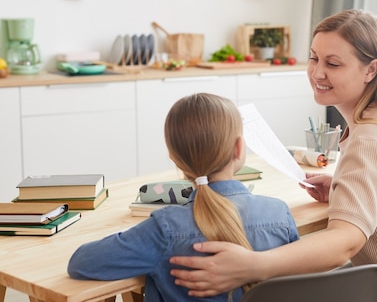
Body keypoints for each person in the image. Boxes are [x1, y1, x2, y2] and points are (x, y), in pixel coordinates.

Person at [169, 10, 377, 302]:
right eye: (314, 58)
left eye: (333, 64)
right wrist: (342, 188)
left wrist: (254, 264)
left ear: (371, 69)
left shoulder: (372, 137)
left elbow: (345, 242)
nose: (317, 72)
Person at [67, 93, 299, 302]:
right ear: (238, 149)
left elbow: (80, 263)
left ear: (174, 158)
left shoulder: (164, 229)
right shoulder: (279, 213)